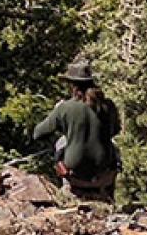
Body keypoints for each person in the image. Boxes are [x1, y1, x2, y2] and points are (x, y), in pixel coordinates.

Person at [33, 59, 120, 200]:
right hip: (104, 175)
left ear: (72, 85)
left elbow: (38, 133)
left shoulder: (65, 107)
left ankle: (69, 190)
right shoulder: (108, 105)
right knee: (114, 147)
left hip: (75, 176)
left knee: (61, 142)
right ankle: (107, 194)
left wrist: (62, 121)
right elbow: (115, 131)